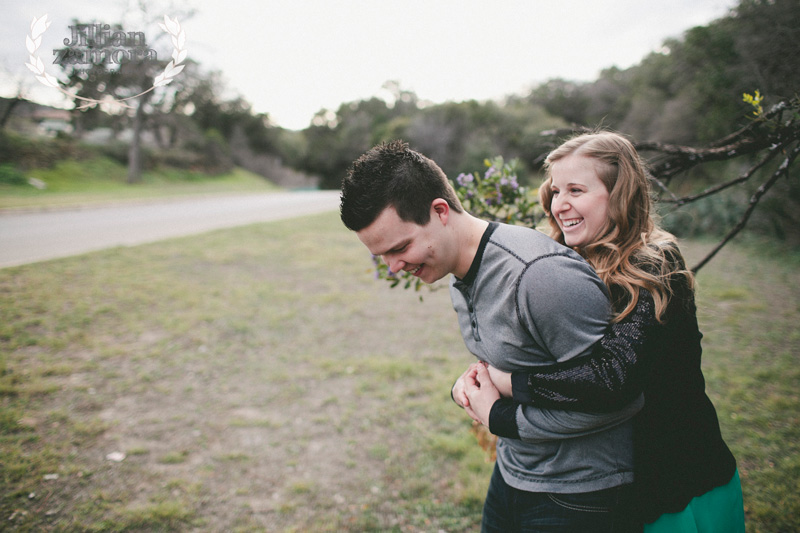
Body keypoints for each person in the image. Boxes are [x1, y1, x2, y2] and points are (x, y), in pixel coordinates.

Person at [340, 139, 643, 532]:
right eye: (381, 255)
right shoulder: (456, 273)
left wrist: (501, 418)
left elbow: (619, 398)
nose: (394, 267)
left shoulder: (541, 277)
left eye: (400, 247)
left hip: (579, 495)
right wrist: (474, 385)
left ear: (440, 211)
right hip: (512, 476)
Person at [459, 131, 745, 532]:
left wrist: (505, 393)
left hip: (676, 475)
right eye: (556, 190)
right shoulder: (564, 263)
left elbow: (613, 377)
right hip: (620, 480)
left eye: (577, 189)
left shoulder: (655, 262)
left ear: (620, 193)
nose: (561, 204)